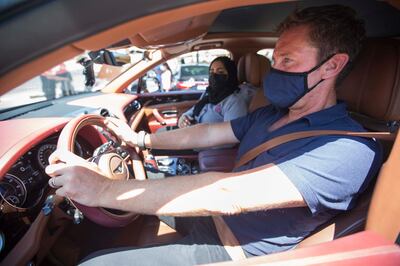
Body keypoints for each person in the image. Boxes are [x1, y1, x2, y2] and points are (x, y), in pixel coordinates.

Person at [46, 5, 382, 265]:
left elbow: (228, 193)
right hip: (214, 218)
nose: (275, 70)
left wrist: (104, 188)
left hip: (233, 252)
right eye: (274, 58)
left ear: (332, 65)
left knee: (95, 263)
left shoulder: (350, 149)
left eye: (288, 60)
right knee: (126, 209)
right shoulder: (272, 114)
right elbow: (205, 134)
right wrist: (141, 141)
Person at [178, 56, 248, 128]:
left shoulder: (234, 102)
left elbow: (230, 136)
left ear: (231, 75)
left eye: (220, 72)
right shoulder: (208, 93)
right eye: (211, 72)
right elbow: (193, 110)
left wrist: (197, 129)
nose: (214, 75)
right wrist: (184, 118)